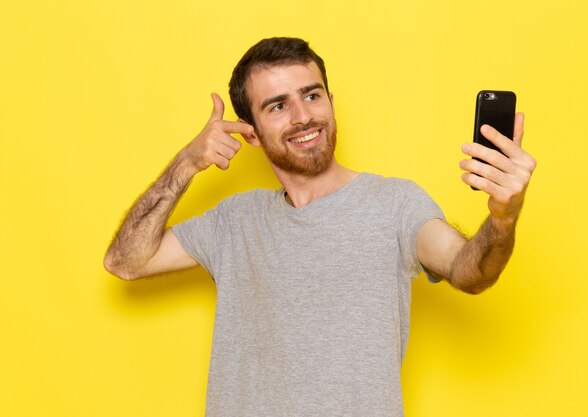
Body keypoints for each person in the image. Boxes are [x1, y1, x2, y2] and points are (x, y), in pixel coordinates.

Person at [104, 37, 536, 417]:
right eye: (278, 106)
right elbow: (125, 261)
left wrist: (503, 215)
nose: (303, 116)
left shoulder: (394, 204)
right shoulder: (235, 222)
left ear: (330, 100)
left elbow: (469, 271)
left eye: (312, 96)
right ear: (250, 132)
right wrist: (187, 163)